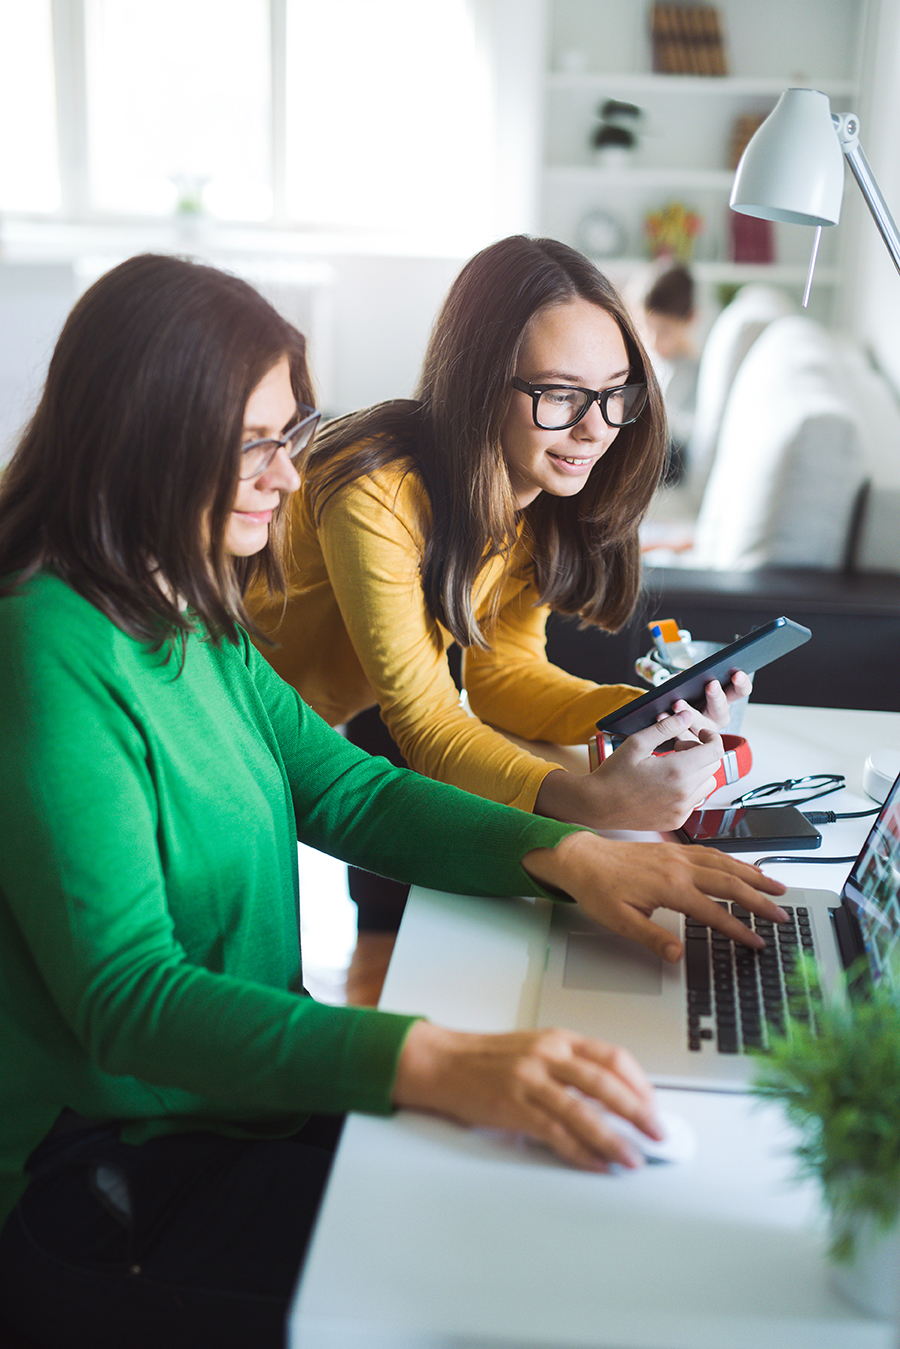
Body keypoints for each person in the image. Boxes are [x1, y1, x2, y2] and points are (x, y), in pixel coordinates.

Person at [0, 253, 786, 1349]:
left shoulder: (189, 606)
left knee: (560, 1213)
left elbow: (344, 786)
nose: (287, 472)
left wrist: (571, 855)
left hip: (231, 1106)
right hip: (99, 1168)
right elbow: (130, 996)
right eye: (255, 443)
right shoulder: (47, 649)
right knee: (488, 1292)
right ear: (141, 434)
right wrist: (425, 1055)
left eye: (292, 429)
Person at [250, 235, 749, 932]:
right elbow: (425, 721)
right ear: (480, 382)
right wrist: (590, 800)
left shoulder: (533, 490)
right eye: (558, 395)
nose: (593, 429)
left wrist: (645, 710)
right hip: (226, 714)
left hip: (316, 719)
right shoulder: (378, 493)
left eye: (613, 395)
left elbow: (502, 674)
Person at [640, 262, 701, 483]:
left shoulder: (697, 372)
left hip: (671, 457)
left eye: (664, 331)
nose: (654, 341)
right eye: (648, 328)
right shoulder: (652, 361)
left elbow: (688, 436)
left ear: (691, 318)